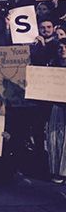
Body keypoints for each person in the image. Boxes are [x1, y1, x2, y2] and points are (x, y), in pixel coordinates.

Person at [47, 38, 66, 183]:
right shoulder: (51, 65)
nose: (63, 50)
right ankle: (56, 171)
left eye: (65, 48)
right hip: (56, 105)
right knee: (55, 138)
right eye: (60, 48)